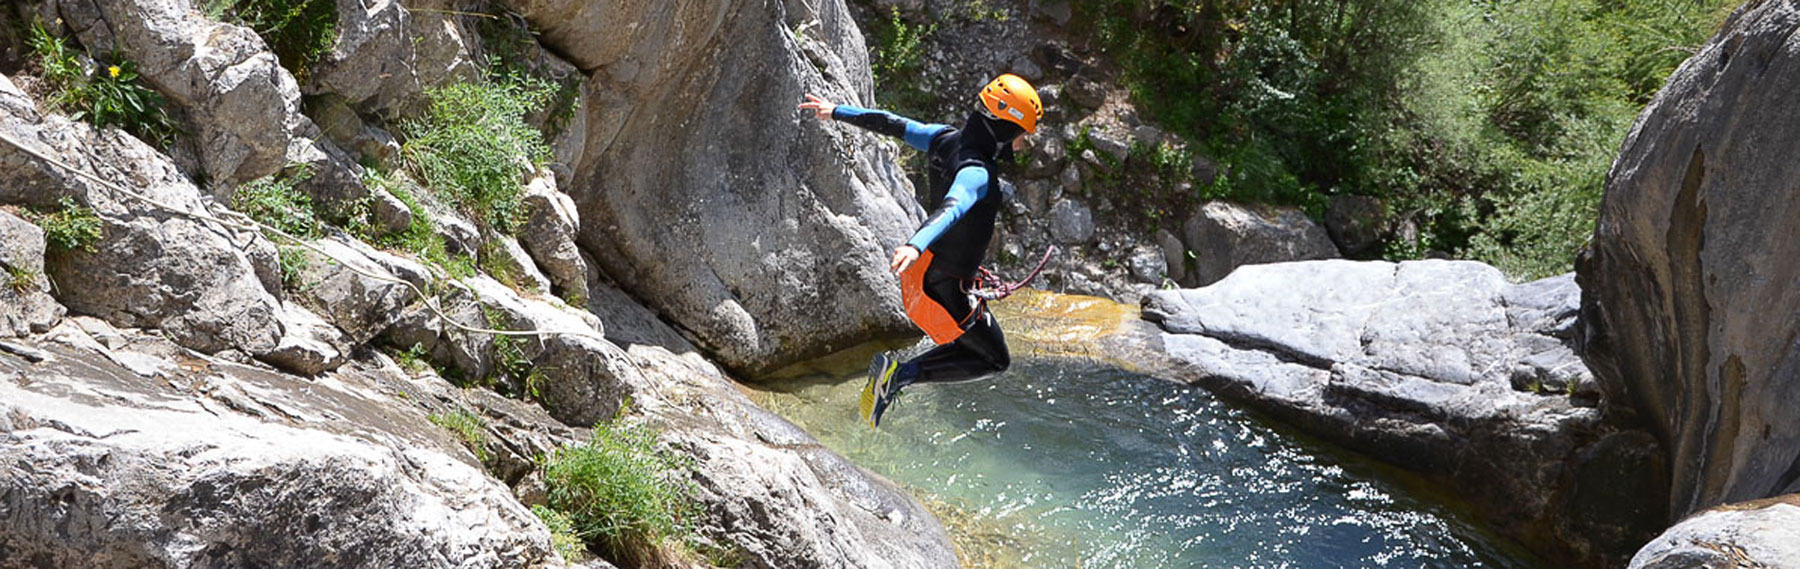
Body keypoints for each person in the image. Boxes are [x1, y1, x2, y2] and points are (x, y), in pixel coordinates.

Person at [798, 74, 1044, 427]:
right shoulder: (978, 172)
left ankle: (895, 375)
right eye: (1023, 136)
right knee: (993, 359)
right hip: (939, 287)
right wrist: (915, 243)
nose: (1023, 145)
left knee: (972, 342)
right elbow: (953, 206)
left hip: (926, 274)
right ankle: (897, 375)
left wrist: (835, 110)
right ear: (1004, 129)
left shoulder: (944, 138)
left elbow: (892, 123)